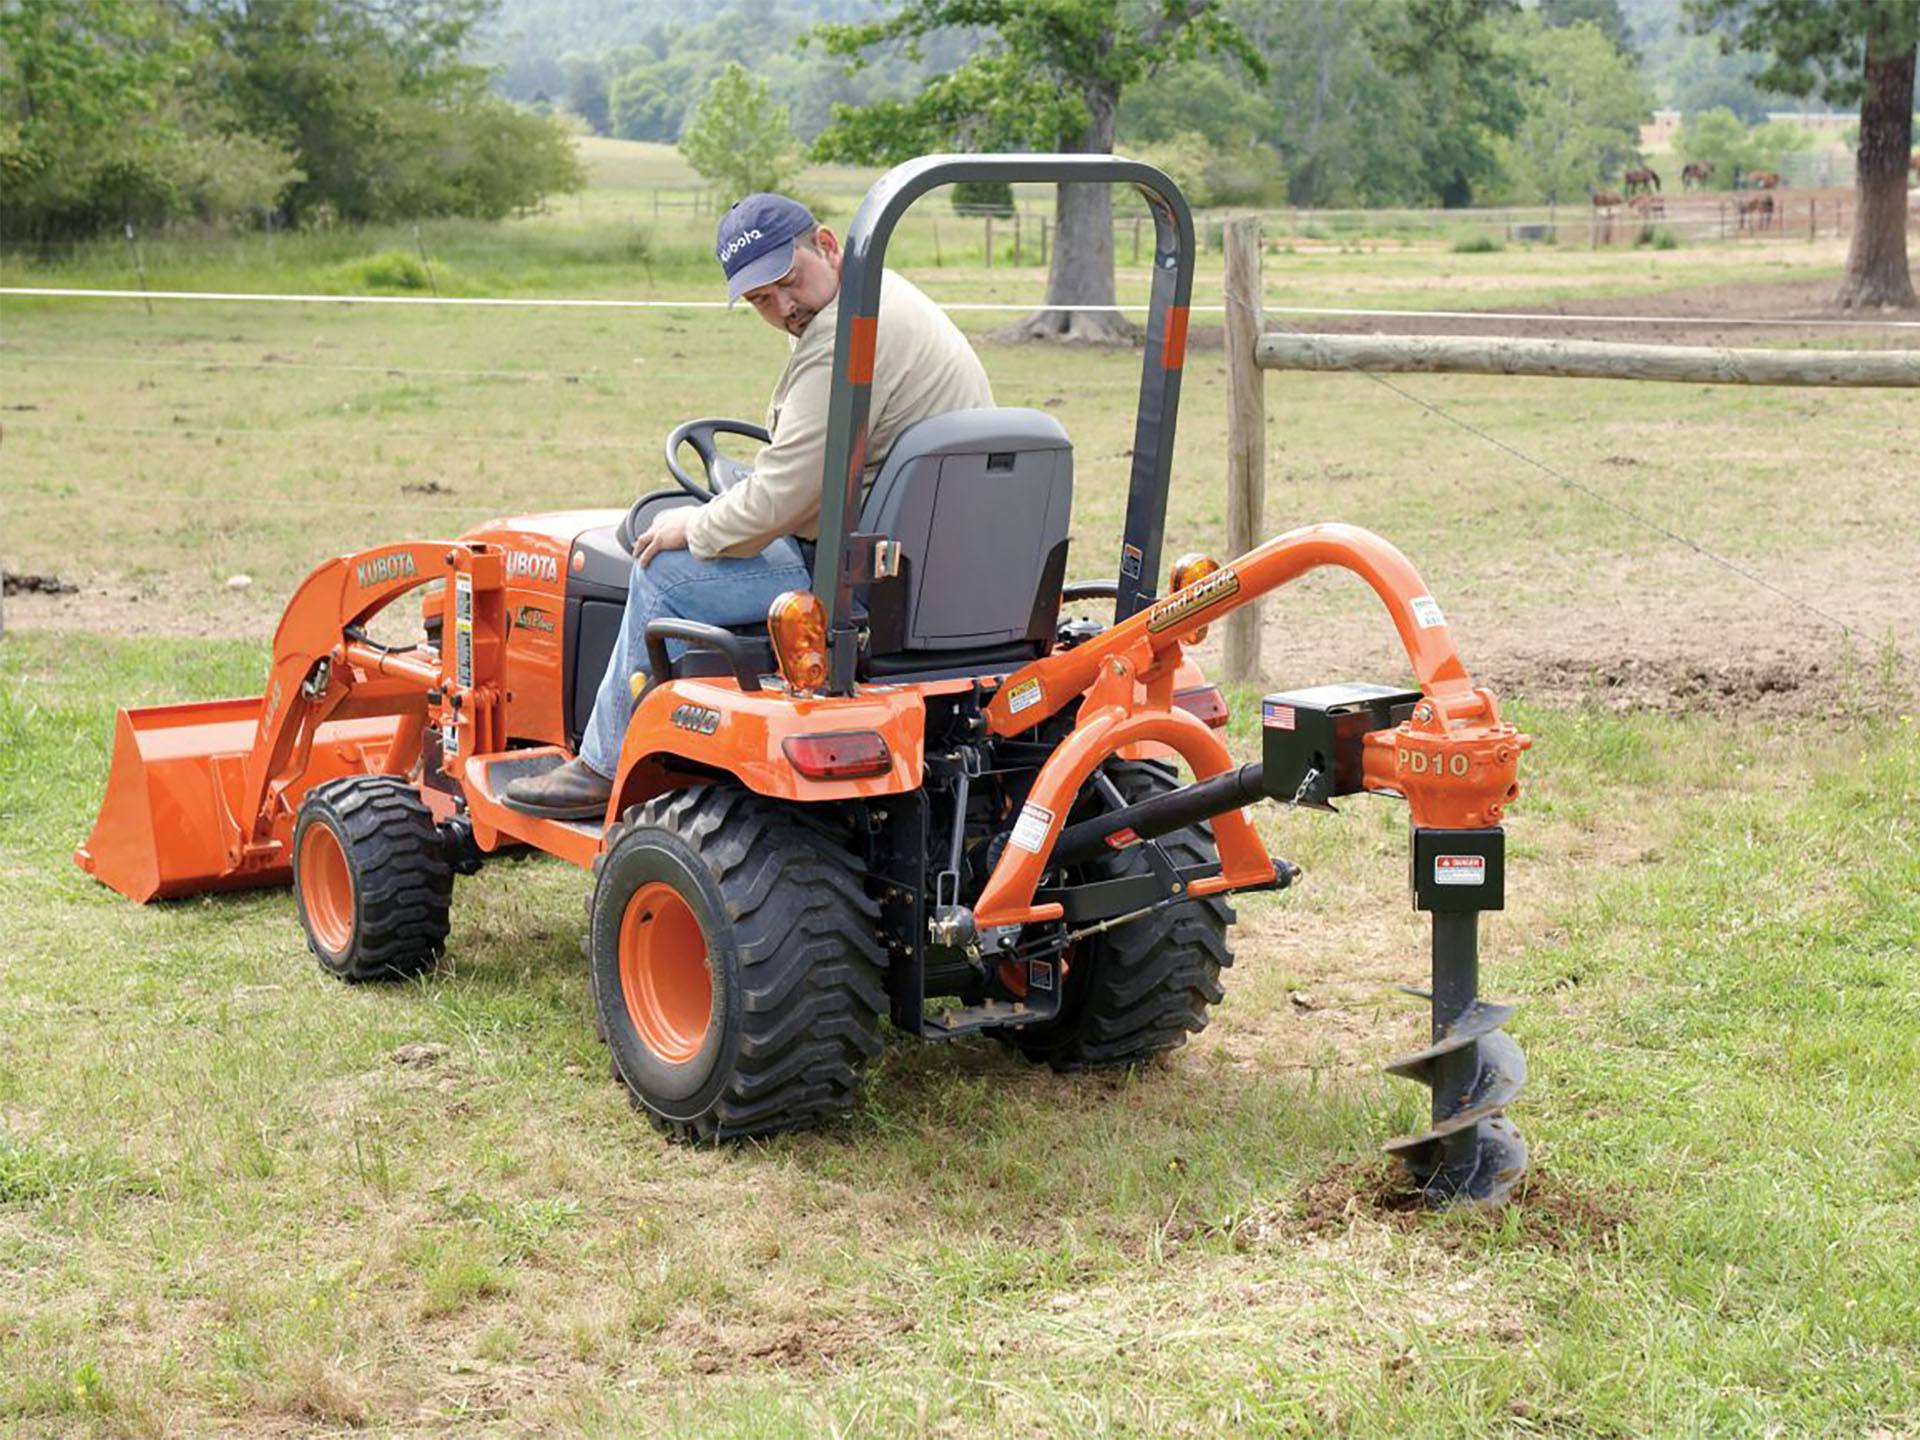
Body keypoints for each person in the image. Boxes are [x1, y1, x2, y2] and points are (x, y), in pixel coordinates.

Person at [505, 192, 995, 818]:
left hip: (859, 574)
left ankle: (601, 763)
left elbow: (784, 497)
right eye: (763, 299)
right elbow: (809, 463)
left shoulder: (842, 337)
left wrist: (697, 525)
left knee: (662, 573)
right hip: (929, 550)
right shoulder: (881, 299)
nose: (784, 307)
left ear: (825, 243)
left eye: (789, 282)